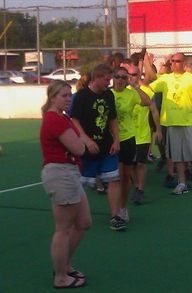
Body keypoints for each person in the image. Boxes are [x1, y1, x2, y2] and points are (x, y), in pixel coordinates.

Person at [40, 80, 91, 289]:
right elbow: (79, 148)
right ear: (53, 98)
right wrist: (82, 143)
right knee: (63, 228)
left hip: (69, 172)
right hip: (60, 173)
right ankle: (60, 276)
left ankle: (64, 265)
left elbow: (78, 144)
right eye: (63, 95)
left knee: (84, 222)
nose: (68, 99)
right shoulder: (54, 119)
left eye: (69, 95)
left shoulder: (63, 117)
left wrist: (81, 143)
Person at [70, 63, 125, 231]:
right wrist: (86, 140)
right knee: (79, 184)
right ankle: (72, 215)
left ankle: (115, 216)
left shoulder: (109, 95)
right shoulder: (81, 96)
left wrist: (116, 140)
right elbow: (74, 120)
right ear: (96, 78)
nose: (110, 83)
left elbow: (112, 119)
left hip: (106, 147)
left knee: (114, 180)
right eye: (107, 79)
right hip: (86, 150)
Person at [149, 53, 192, 195]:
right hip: (171, 123)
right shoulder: (165, 79)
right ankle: (182, 183)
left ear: (184, 63)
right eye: (172, 61)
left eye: (177, 61)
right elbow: (149, 85)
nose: (174, 63)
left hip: (188, 123)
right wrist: (135, 82)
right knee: (177, 156)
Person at [110, 66, 151, 220]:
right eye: (117, 76)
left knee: (125, 176)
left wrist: (135, 85)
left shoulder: (131, 93)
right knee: (115, 177)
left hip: (127, 138)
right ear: (112, 78)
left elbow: (147, 101)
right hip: (111, 139)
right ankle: (115, 209)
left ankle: (122, 207)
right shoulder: (108, 94)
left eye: (123, 77)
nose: (120, 80)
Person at [127, 65, 162, 204]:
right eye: (128, 75)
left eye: (134, 75)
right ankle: (136, 187)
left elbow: (154, 111)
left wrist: (158, 129)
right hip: (128, 135)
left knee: (140, 163)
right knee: (131, 165)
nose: (131, 78)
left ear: (139, 75)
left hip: (142, 134)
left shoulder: (147, 91)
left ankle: (140, 189)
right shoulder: (123, 92)